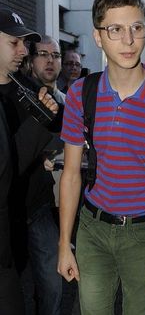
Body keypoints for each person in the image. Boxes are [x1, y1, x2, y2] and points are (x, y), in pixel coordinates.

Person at [57, 0, 145, 315]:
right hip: (93, 228)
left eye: (136, 28)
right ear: (98, 36)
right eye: (115, 29)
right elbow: (72, 174)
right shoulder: (80, 94)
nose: (129, 40)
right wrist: (64, 244)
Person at [0, 7, 58, 315]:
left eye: (25, 43)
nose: (23, 51)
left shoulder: (31, 91)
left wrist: (50, 153)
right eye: (14, 43)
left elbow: (53, 140)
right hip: (7, 217)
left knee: (50, 286)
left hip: (35, 207)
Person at [17, 35, 65, 315]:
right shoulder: (17, 94)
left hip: (40, 204)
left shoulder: (66, 103)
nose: (50, 60)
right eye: (43, 54)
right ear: (30, 61)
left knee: (51, 283)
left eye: (55, 55)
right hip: (13, 204)